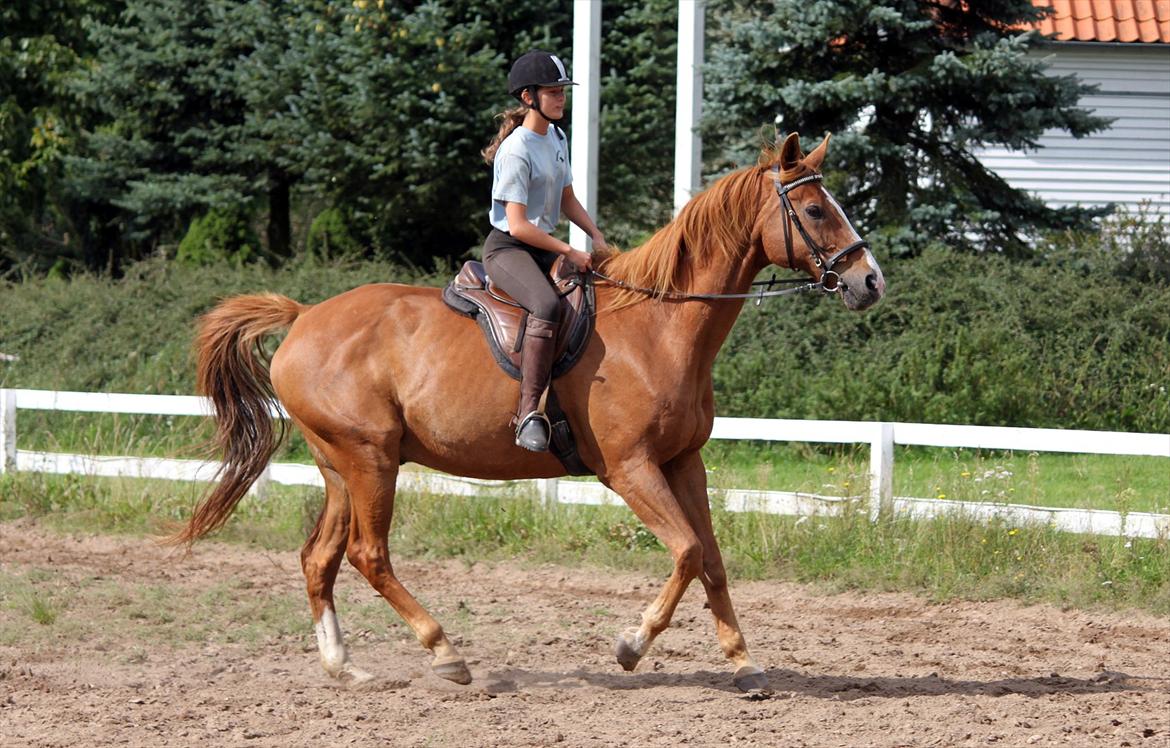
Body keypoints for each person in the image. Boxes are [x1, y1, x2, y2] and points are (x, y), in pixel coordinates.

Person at [481, 50, 608, 453]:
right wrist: (570, 249)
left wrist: (596, 235)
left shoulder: (556, 136)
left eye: (562, 91)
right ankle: (529, 412)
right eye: (553, 92)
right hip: (509, 250)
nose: (561, 98)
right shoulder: (516, 150)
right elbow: (518, 226)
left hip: (542, 247)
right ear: (528, 97)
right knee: (546, 306)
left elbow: (567, 198)